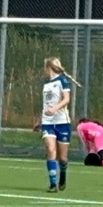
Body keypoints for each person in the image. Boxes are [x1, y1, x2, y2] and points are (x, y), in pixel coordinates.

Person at [35, 56, 74, 192]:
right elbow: (46, 104)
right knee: (51, 150)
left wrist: (55, 108)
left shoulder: (62, 81)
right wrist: (40, 121)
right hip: (48, 123)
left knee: (62, 158)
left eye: (45, 67)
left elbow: (67, 99)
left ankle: (62, 175)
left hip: (62, 122)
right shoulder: (46, 85)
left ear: (49, 67)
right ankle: (53, 184)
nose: (44, 70)